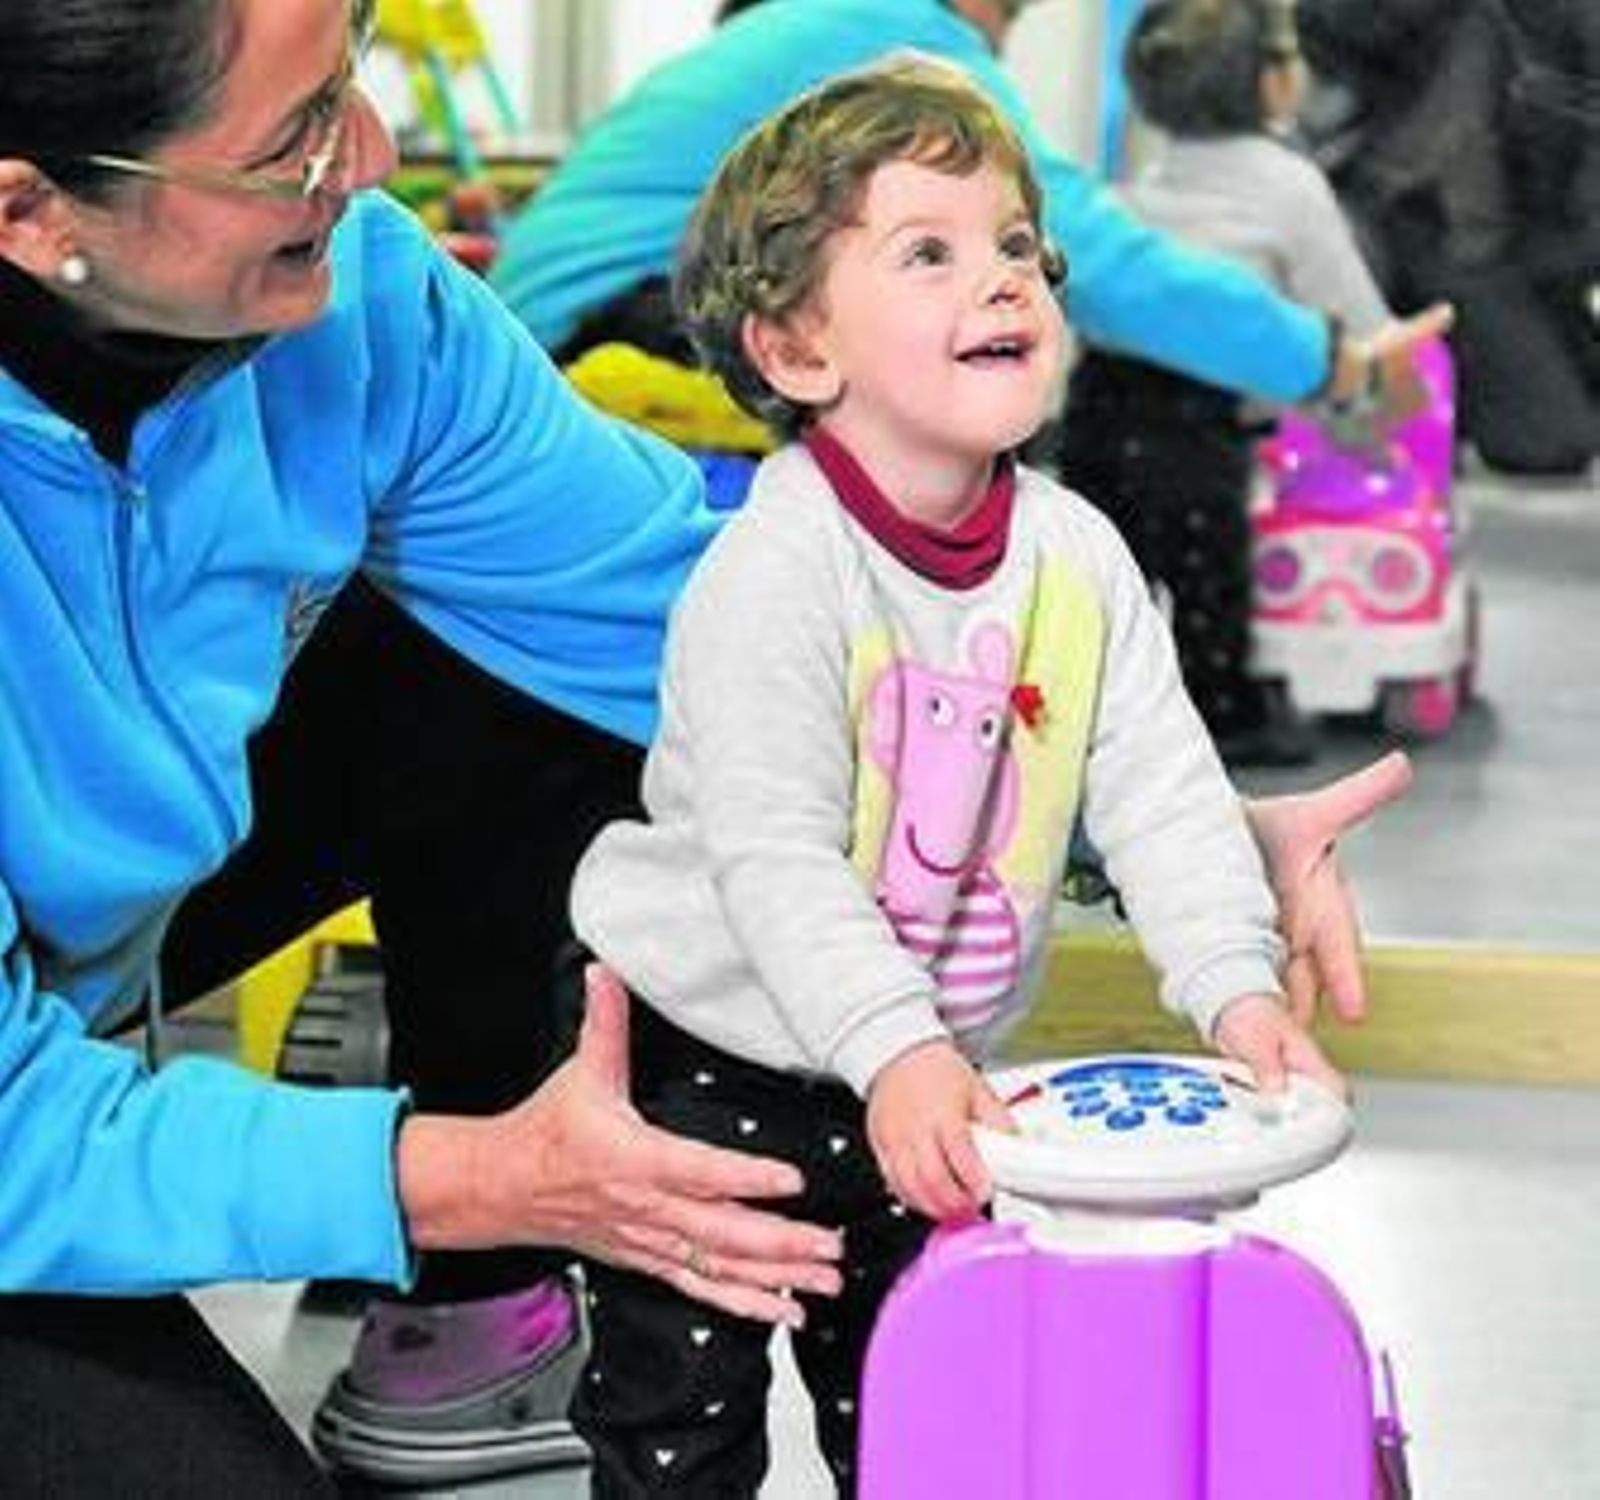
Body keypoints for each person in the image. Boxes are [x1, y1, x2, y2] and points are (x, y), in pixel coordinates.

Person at [0, 0, 1410, 1490]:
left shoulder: (363, 307)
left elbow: (716, 644)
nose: (372, 155)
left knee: (556, 671)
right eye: (293, 141)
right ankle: (494, 1234)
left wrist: (1144, 830)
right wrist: (458, 1180)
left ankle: (469, 1328)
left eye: (349, 80)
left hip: (93, 953)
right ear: (28, 207)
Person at [566, 55, 1353, 1496]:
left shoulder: (1075, 554)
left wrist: (1235, 988)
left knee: (932, 1401)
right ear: (800, 352)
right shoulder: (774, 572)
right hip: (708, 1060)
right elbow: (777, 859)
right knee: (678, 1416)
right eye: (927, 252)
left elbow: (1161, 791)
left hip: (933, 1068)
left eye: (1015, 248)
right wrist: (899, 1047)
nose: (1002, 283)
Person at [491, 0, 1444, 438]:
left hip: (545, 336)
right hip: (611, 335)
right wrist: (1333, 363)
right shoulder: (905, 42)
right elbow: (1088, 258)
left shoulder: (813, 21)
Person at [1055, 0, 1396, 768]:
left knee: (1103, 578)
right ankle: (1229, 715)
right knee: (1210, 579)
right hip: (1194, 419)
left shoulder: (1150, 166)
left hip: (1099, 398)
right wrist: (1377, 372)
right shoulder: (1291, 184)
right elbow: (1347, 308)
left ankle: (1082, 715)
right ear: (1273, 83)